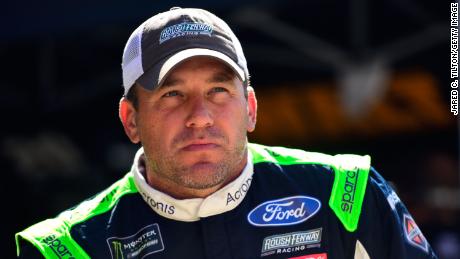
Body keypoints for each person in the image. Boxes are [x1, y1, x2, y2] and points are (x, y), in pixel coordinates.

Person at [15, 7, 438, 259]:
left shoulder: (348, 193)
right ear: (131, 120)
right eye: (172, 94)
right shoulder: (67, 248)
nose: (200, 116)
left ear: (250, 108)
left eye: (218, 90)